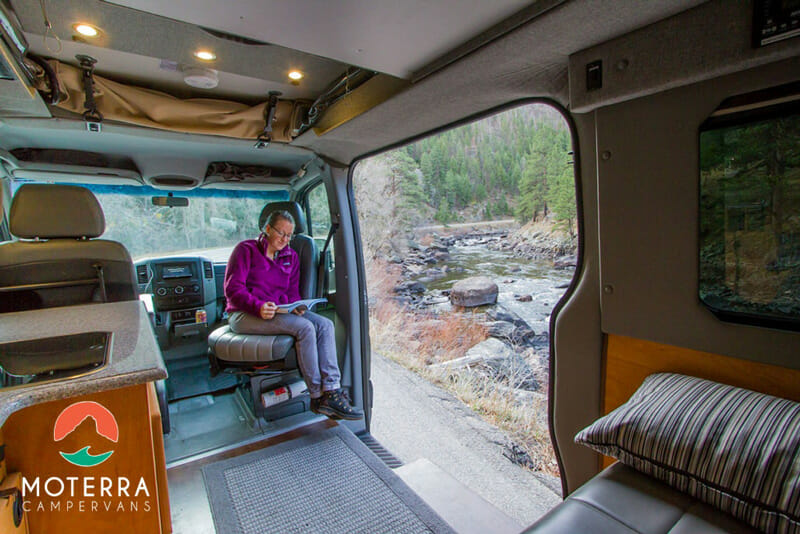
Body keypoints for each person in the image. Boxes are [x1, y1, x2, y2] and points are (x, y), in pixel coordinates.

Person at [223, 209, 363, 420]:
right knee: (304, 327)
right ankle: (317, 396)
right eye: (281, 233)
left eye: (289, 235)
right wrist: (258, 306)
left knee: (325, 324)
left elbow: (290, 292)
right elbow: (233, 289)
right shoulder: (245, 250)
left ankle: (332, 390)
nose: (285, 240)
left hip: (277, 312)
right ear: (267, 229)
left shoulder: (291, 256)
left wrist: (297, 306)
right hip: (244, 314)